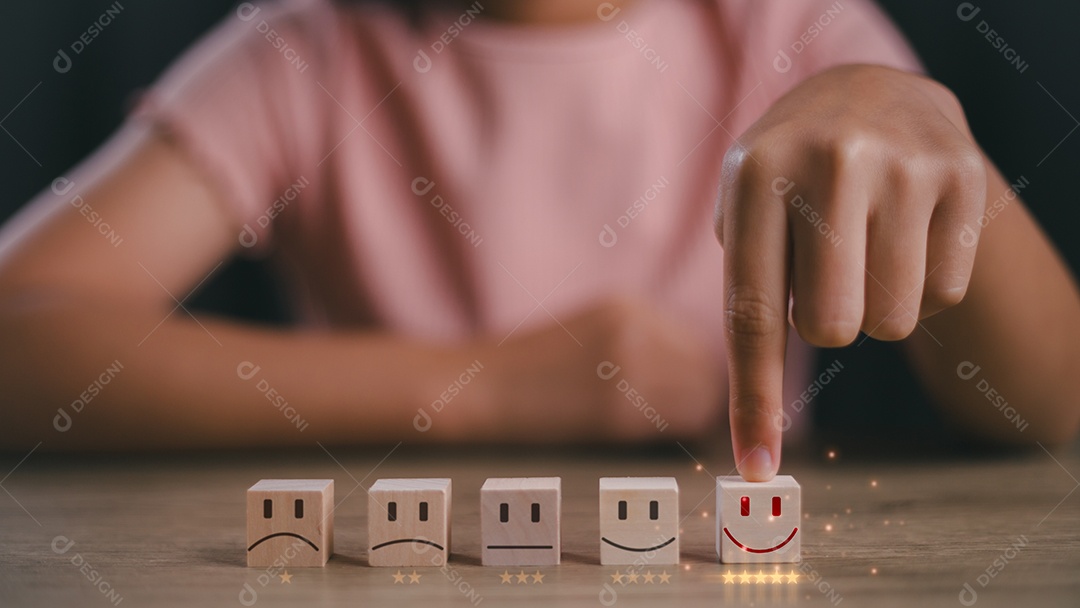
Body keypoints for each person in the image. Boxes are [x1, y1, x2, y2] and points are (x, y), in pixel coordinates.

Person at [0, 0, 1077, 481]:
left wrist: (938, 145)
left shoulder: (788, 29)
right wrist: (494, 386)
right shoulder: (301, 51)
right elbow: (18, 332)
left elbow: (1057, 404)